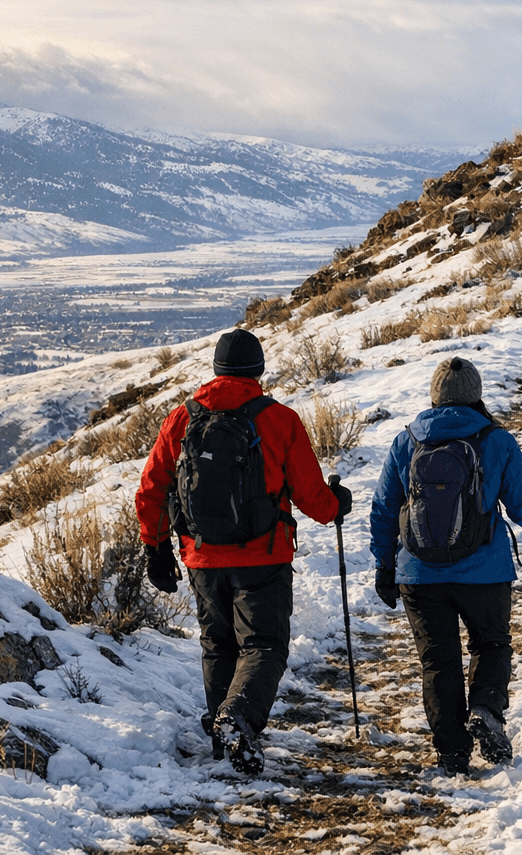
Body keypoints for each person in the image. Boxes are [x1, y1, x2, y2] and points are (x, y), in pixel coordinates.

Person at [136, 328, 352, 775]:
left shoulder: (182, 418)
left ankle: (223, 737)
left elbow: (152, 489)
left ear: (216, 369)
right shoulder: (278, 419)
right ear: (258, 370)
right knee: (264, 645)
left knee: (218, 643)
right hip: (263, 556)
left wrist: (155, 549)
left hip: (201, 556)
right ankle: (239, 720)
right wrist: (337, 506)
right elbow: (312, 496)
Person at [368, 357, 522, 775]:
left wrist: (385, 567)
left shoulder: (407, 441)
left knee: (439, 662)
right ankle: (485, 709)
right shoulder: (495, 440)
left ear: (434, 395)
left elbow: (385, 510)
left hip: (419, 573)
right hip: (485, 570)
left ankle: (452, 753)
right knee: (491, 644)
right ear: (476, 394)